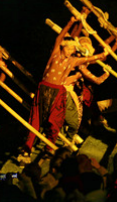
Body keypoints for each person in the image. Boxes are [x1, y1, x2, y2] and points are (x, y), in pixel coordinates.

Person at [23, 16, 109, 155]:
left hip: (59, 92)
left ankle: (50, 147)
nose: (71, 51)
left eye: (73, 49)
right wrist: (71, 22)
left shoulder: (73, 61)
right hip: (44, 88)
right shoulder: (55, 54)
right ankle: (27, 149)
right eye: (70, 48)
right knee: (36, 119)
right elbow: (60, 37)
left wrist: (102, 55)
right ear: (64, 46)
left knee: (56, 121)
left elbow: (90, 58)